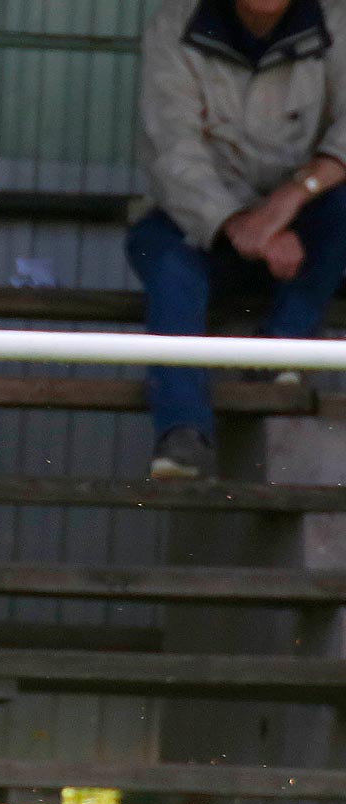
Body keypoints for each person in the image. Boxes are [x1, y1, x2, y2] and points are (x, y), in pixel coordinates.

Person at [127, 0, 346, 479]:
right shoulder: (176, 23)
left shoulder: (336, 20)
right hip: (197, 223)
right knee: (162, 256)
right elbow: (172, 150)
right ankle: (182, 432)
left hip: (302, 227)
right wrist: (237, 222)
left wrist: (286, 204)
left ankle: (281, 348)